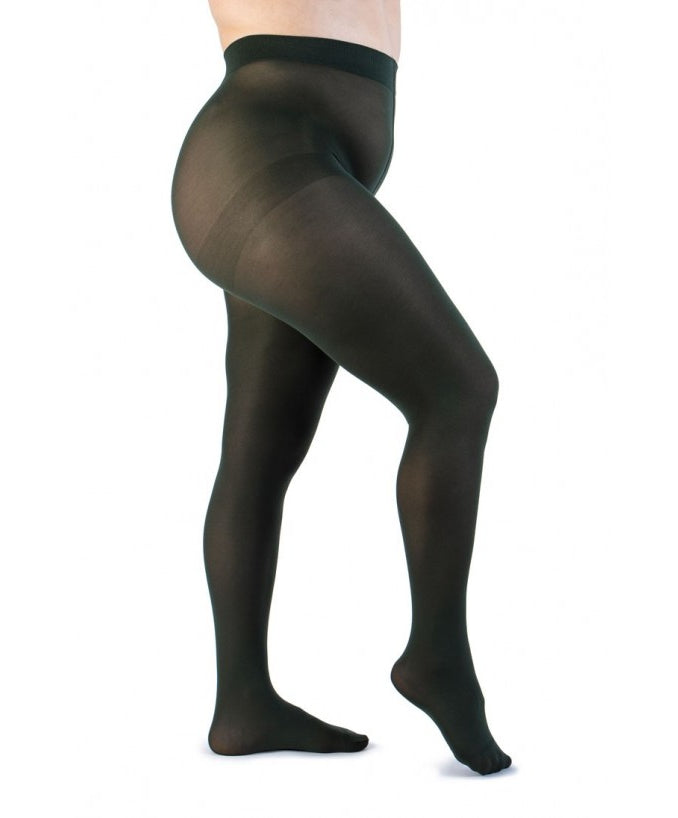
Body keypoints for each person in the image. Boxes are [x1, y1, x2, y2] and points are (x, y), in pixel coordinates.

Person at [170, 0, 512, 776]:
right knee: (457, 391)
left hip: (289, 163)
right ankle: (437, 657)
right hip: (260, 157)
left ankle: (242, 705)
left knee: (260, 451)